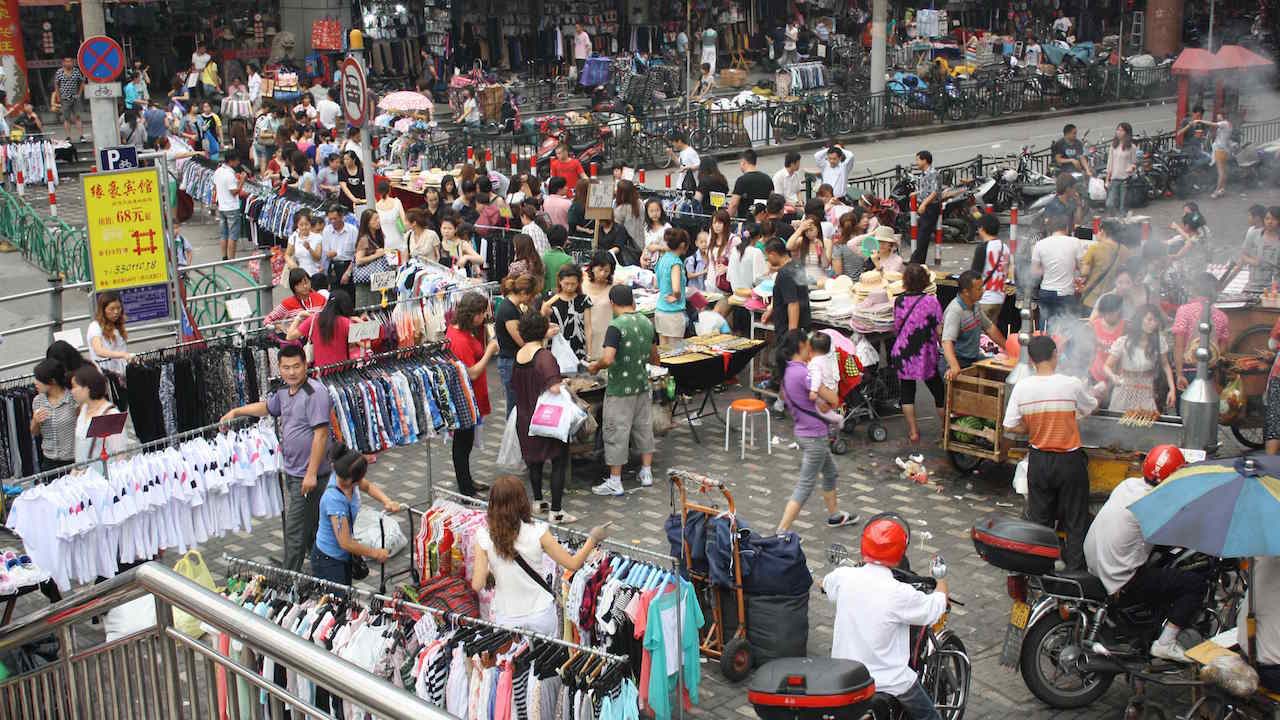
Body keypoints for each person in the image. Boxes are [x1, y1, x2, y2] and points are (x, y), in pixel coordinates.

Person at [1084, 445, 1206, 662]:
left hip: (1096, 563)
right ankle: (1165, 643)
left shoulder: (1128, 485)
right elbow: (1180, 534)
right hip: (1121, 577)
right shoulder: (1156, 504)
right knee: (1194, 584)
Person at [220, 344, 332, 572]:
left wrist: (310, 474)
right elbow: (268, 408)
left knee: (295, 528)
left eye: (296, 367)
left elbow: (321, 435)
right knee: (308, 526)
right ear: (279, 368)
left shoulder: (315, 392)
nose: (291, 372)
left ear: (306, 365)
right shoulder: (283, 391)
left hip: (309, 476)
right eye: (286, 367)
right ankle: (319, 569)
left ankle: (289, 577)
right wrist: (237, 412)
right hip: (293, 472)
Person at [823, 518, 948, 720]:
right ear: (899, 552)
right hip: (889, 680)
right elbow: (935, 607)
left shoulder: (844, 576)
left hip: (845, 677)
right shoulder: (900, 593)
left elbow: (826, 584)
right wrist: (941, 578)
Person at [1002, 336, 1098, 571]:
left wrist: (1029, 427)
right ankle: (1075, 572)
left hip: (1039, 460)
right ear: (1055, 355)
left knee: (1040, 520)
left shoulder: (1023, 387)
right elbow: (1090, 407)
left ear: (1032, 360)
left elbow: (1008, 425)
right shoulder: (1072, 384)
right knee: (1075, 519)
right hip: (1070, 461)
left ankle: (1040, 571)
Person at [471, 476, 610, 633]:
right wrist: (593, 538)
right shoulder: (538, 531)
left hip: (507, 616)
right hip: (541, 613)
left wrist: (491, 571)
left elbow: (477, 584)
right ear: (522, 501)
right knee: (548, 657)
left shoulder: (484, 536)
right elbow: (573, 564)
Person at [775, 330, 857, 531]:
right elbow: (833, 399)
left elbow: (788, 398)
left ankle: (835, 515)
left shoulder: (788, 371)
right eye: (808, 345)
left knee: (830, 472)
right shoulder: (804, 373)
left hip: (804, 432)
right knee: (805, 485)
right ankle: (781, 531)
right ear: (801, 347)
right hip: (814, 437)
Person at [588, 284, 660, 496]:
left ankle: (615, 480)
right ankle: (646, 473)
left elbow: (608, 358)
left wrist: (595, 366)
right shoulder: (647, 322)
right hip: (641, 385)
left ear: (612, 303)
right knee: (644, 428)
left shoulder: (616, 326)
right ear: (632, 300)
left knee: (616, 431)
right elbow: (655, 356)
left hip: (620, 389)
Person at [511, 310, 574, 523]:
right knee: (558, 460)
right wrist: (564, 383)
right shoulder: (544, 356)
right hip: (547, 418)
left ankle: (538, 502)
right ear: (542, 330)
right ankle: (556, 511)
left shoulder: (519, 355)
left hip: (524, 418)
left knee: (534, 462)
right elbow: (554, 388)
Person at [311, 444, 397, 584]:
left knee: (346, 597)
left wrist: (387, 501)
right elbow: (345, 543)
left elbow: (368, 486)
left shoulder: (348, 477)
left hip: (343, 556)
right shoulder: (334, 499)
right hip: (329, 560)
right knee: (337, 602)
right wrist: (376, 553)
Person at [445, 292, 498, 497]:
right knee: (463, 443)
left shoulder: (463, 332)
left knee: (465, 442)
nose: (485, 316)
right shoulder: (460, 340)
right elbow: (472, 372)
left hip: (472, 396)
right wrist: (489, 351)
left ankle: (467, 481)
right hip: (467, 398)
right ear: (473, 314)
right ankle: (465, 487)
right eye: (482, 313)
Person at [892, 264, 947, 443]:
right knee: (938, 391)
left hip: (904, 352)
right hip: (925, 354)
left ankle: (913, 431)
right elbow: (939, 330)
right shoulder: (931, 301)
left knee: (907, 392)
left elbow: (897, 327)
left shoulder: (898, 301)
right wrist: (945, 350)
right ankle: (946, 429)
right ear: (925, 281)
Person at [1105, 304, 1176, 413]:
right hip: (1124, 391)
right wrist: (1113, 376)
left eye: (1155, 320)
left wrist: (1172, 389)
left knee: (1145, 426)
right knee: (1119, 426)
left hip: (1146, 392)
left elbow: (1166, 365)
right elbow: (1106, 366)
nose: (1153, 324)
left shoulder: (1159, 341)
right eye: (1149, 319)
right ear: (1139, 320)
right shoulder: (1123, 341)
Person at [942, 270, 1007, 379]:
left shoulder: (975, 304)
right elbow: (946, 342)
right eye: (979, 289)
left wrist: (1008, 347)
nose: (983, 291)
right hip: (958, 360)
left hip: (973, 356)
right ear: (966, 292)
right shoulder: (955, 311)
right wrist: (954, 367)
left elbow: (990, 328)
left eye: (982, 287)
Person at [1172, 272, 1230, 388]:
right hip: (1210, 372)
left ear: (1194, 290)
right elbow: (1222, 349)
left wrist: (1179, 374)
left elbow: (1179, 346)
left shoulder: (1184, 311)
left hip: (1187, 371)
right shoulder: (1222, 316)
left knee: (1186, 405)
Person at [1031, 213, 1082, 331]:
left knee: (1045, 326)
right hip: (1066, 293)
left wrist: (1048, 269)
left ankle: (1043, 347)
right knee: (1066, 328)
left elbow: (1034, 271)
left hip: (1046, 291)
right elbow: (1081, 268)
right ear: (1067, 228)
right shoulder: (1075, 242)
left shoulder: (1040, 244)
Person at [496, 274, 538, 414]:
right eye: (531, 296)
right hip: (510, 362)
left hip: (512, 361)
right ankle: (512, 435)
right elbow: (521, 340)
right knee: (515, 406)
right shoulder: (508, 310)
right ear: (523, 293)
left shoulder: (513, 307)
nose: (531, 300)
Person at [71, 365, 126, 464]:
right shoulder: (83, 410)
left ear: (87, 388)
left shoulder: (110, 414)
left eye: (74, 387)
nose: (72, 391)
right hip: (85, 475)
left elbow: (119, 455)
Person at [288, 290, 358, 368]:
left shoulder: (314, 319)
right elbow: (365, 344)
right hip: (341, 369)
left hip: (320, 370)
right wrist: (360, 321)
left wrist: (299, 317)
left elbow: (290, 336)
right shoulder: (347, 322)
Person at [31, 358, 77, 472]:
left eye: (39, 379)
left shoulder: (73, 398)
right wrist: (35, 421)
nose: (35, 382)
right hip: (49, 461)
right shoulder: (38, 401)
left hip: (73, 460)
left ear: (52, 381)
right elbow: (35, 432)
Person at [1077, 219, 1130, 314]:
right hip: (1112, 301)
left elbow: (1084, 273)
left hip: (1092, 300)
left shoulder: (1094, 248)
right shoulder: (1125, 250)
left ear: (1103, 232)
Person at [542, 264, 592, 362]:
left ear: (579, 283)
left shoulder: (584, 300)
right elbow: (542, 319)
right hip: (555, 346)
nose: (569, 287)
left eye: (573, 284)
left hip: (577, 346)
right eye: (566, 283)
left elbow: (588, 327)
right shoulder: (550, 299)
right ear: (560, 281)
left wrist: (589, 352)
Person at [762, 238, 811, 338]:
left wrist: (792, 335)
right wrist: (772, 310)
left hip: (788, 330)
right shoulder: (797, 265)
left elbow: (793, 303)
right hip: (802, 326)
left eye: (767, 257)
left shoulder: (785, 273)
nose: (768, 260)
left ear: (773, 254)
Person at [968, 213, 1010, 323]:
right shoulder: (1004, 247)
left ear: (982, 228)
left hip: (984, 298)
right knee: (991, 333)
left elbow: (974, 275)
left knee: (979, 335)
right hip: (999, 298)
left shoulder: (983, 248)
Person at [655, 229, 690, 345]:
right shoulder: (676, 263)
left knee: (664, 353)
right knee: (675, 353)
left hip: (660, 310)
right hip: (673, 313)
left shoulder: (663, 258)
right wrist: (676, 296)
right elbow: (676, 289)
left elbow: (656, 284)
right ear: (683, 245)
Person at [265, 268, 327, 333]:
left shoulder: (320, 298)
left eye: (307, 282)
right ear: (294, 287)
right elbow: (267, 321)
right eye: (300, 284)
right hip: (297, 339)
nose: (305, 286)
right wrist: (280, 327)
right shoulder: (287, 303)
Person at [1088, 294, 1126, 398]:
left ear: (1119, 310)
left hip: (1117, 376)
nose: (1108, 315)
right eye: (1106, 312)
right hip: (1096, 373)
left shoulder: (1125, 326)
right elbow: (1089, 351)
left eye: (1112, 312)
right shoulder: (1095, 325)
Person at [87, 292, 132, 375]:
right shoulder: (95, 326)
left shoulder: (118, 324)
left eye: (118, 308)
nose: (116, 312)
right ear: (103, 310)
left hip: (121, 371)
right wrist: (122, 354)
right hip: (104, 372)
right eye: (111, 309)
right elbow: (99, 350)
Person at [351, 209, 389, 308]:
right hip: (367, 282)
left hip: (377, 280)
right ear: (367, 222)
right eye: (375, 219)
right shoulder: (364, 239)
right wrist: (376, 255)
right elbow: (359, 260)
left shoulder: (378, 236)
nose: (378, 221)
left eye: (378, 218)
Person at [320, 205, 358, 298]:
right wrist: (329, 254)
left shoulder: (352, 230)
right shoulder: (327, 231)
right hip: (333, 267)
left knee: (350, 297)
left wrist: (348, 273)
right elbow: (325, 252)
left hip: (349, 266)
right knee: (334, 297)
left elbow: (357, 253)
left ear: (342, 217)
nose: (333, 221)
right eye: (330, 219)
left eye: (335, 218)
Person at [909, 151, 939, 265]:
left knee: (923, 236)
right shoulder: (924, 174)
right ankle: (919, 261)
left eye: (918, 160)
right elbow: (926, 189)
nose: (916, 162)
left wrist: (924, 204)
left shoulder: (933, 173)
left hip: (931, 207)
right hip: (926, 206)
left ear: (924, 160)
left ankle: (915, 261)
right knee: (922, 235)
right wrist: (916, 193)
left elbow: (934, 192)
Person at [213, 152, 245, 260]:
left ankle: (224, 257)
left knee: (223, 234)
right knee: (233, 235)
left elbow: (215, 185)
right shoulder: (229, 175)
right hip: (231, 207)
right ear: (231, 161)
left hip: (221, 206)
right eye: (236, 160)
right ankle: (231, 258)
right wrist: (242, 182)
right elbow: (234, 192)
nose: (238, 162)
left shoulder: (218, 171)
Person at [807, 332, 843, 426]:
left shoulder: (815, 362)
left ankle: (837, 419)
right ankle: (831, 424)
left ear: (810, 348)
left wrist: (813, 391)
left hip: (824, 390)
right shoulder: (827, 359)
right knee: (825, 410)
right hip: (833, 388)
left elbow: (816, 377)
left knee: (821, 410)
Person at [728, 149, 774, 220]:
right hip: (763, 220)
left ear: (743, 162)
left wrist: (728, 218)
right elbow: (772, 200)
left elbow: (734, 204)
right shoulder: (767, 179)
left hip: (746, 220)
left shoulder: (741, 180)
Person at [51, 58, 85, 142]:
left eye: (70, 61)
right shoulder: (59, 72)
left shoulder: (76, 71)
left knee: (77, 116)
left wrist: (79, 94)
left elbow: (82, 82)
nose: (69, 63)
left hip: (75, 97)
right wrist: (58, 97)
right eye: (67, 61)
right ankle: (68, 137)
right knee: (66, 118)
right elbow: (56, 85)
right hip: (64, 98)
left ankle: (81, 136)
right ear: (63, 63)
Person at [1106, 123, 1137, 213]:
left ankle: (1122, 223)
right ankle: (1114, 219)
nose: (1119, 132)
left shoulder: (1132, 147)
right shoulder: (1113, 146)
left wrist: (1131, 168)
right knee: (1110, 203)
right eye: (1118, 130)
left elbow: (1134, 163)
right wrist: (1107, 180)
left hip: (1125, 180)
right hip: (1114, 178)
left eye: (1121, 130)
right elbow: (1110, 163)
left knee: (1123, 206)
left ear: (1127, 133)